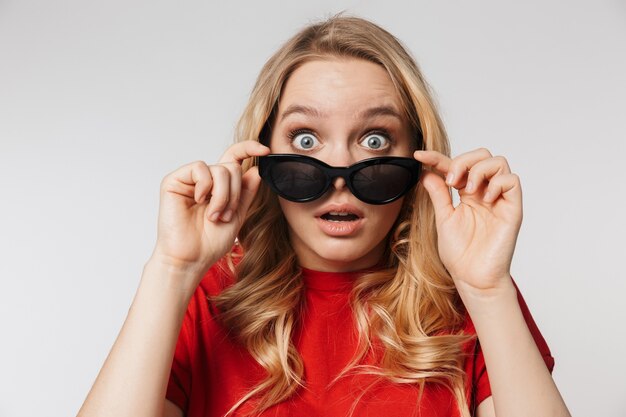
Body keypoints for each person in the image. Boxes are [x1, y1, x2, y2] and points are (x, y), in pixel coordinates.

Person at [77, 15, 571, 417]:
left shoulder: (467, 300)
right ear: (262, 152)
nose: (339, 173)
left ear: (418, 158)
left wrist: (488, 289)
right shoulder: (205, 297)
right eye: (306, 139)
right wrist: (172, 268)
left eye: (374, 139)